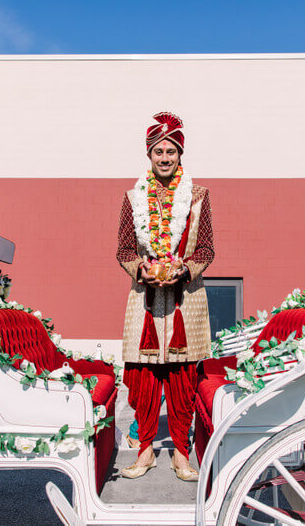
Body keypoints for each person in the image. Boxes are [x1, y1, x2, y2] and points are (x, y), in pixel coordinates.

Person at [116, 112, 214, 482]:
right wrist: (141, 269)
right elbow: (124, 250)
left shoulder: (199, 196)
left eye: (171, 151)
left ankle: (181, 455)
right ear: (149, 155)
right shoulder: (132, 197)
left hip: (185, 300)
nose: (165, 158)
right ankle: (145, 452)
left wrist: (183, 269)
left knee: (182, 378)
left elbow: (206, 250)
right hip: (143, 300)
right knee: (142, 378)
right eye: (158, 151)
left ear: (180, 154)